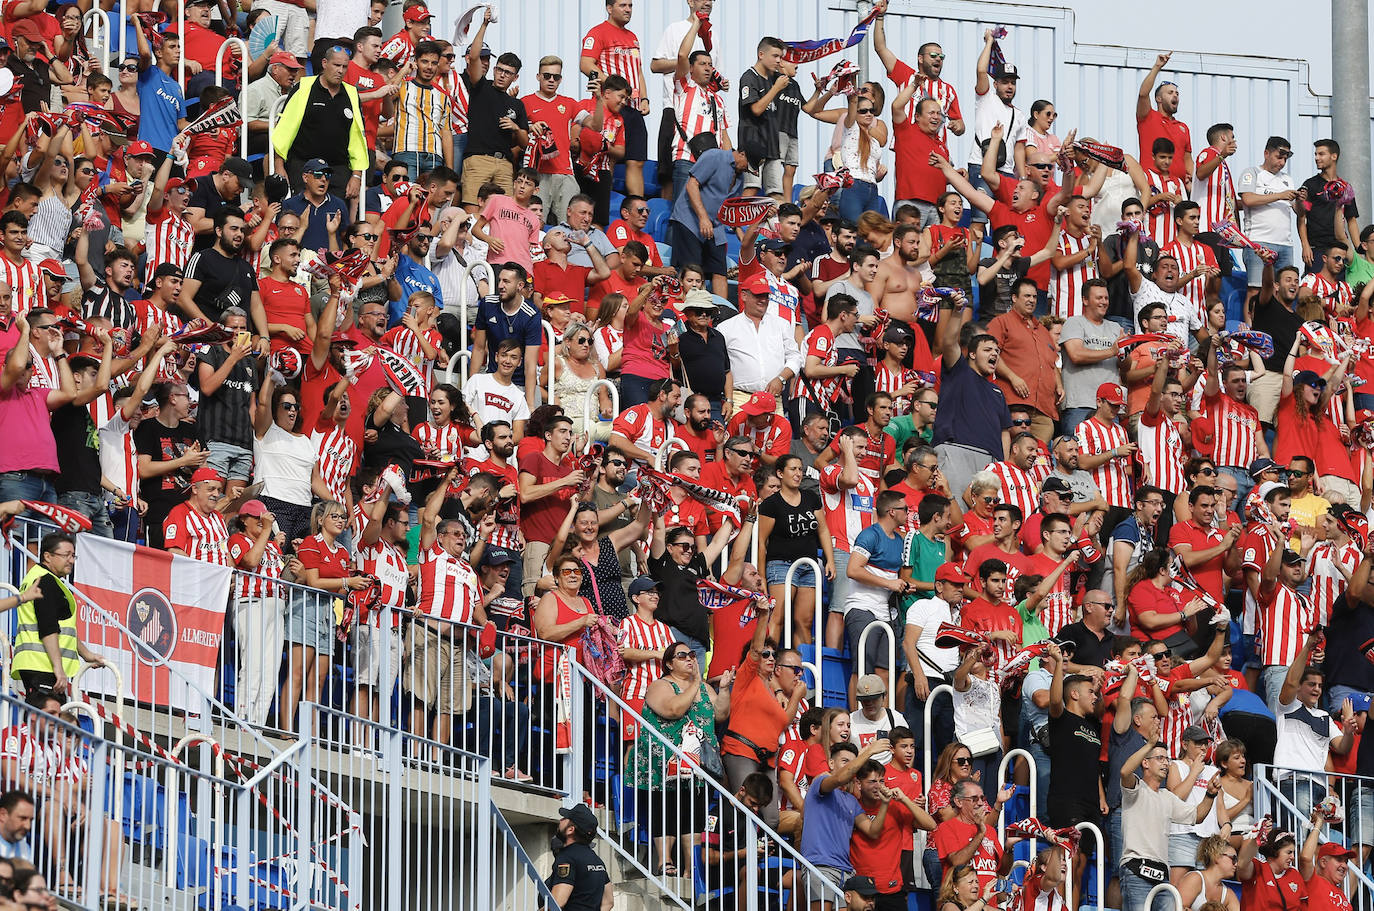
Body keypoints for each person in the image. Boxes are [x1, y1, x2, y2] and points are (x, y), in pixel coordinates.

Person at [633, 639, 730, 879]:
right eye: (682, 656)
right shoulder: (660, 685)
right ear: (668, 663)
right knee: (665, 809)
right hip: (666, 763)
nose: (690, 659)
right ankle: (664, 861)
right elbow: (673, 710)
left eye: (691, 655)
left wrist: (725, 689)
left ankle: (691, 867)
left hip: (699, 765)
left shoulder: (705, 688)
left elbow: (720, 714)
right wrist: (696, 682)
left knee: (694, 814)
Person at [1118, 735, 1220, 911]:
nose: (1166, 763)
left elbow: (1198, 816)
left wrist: (1210, 795)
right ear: (1145, 763)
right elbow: (1124, 772)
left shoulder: (1167, 797)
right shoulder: (1135, 789)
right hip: (1136, 869)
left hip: (1163, 873)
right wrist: (1149, 744)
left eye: (1167, 759)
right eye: (1160, 758)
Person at [12, 532, 109, 695]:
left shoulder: (39, 577)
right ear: (47, 556)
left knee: (45, 719)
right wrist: (58, 668)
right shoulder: (45, 581)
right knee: (47, 719)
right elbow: (48, 627)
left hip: (38, 665)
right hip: (43, 665)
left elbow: (61, 627)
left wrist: (86, 654)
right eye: (66, 555)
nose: (71, 560)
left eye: (73, 556)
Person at [546, 803, 613, 911]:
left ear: (570, 830)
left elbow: (558, 902)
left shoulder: (567, 857)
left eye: (565, 818)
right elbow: (608, 903)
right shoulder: (596, 860)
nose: (560, 820)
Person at [1177, 834, 1241, 911]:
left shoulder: (1228, 894)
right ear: (1216, 856)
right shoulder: (1195, 878)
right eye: (1233, 858)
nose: (1236, 864)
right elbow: (1177, 908)